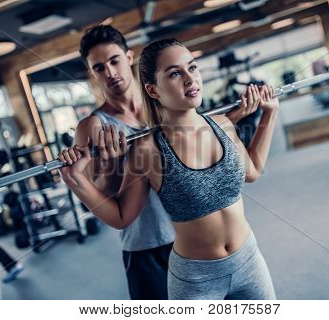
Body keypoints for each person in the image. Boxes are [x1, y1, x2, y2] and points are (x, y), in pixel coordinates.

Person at [59, 38, 278, 299]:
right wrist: (76, 180)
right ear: (153, 90)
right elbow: (121, 217)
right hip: (195, 279)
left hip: (249, 261)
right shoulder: (147, 150)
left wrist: (269, 114)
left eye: (192, 68)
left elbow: (252, 171)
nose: (189, 79)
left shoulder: (224, 124)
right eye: (175, 73)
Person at [69, 25, 177, 300]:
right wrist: (111, 166)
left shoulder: (165, 103)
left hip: (192, 232)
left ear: (129, 57)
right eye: (99, 68)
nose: (110, 73)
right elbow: (103, 199)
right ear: (92, 73)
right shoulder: (93, 126)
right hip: (146, 247)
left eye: (114, 60)